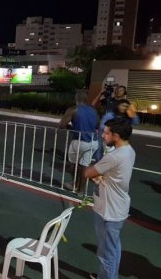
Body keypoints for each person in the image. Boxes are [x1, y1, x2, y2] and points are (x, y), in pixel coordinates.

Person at [84, 118, 135, 279]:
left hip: (109, 210)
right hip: (117, 207)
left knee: (106, 254)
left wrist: (87, 162)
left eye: (107, 133)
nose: (103, 135)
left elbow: (88, 172)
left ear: (117, 135)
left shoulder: (114, 156)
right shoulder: (129, 150)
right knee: (113, 248)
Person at [59, 91, 99, 193]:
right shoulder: (93, 110)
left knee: (73, 165)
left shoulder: (73, 109)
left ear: (76, 99)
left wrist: (72, 127)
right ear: (86, 100)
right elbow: (97, 125)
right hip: (93, 141)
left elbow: (62, 125)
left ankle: (75, 184)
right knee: (84, 167)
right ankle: (80, 190)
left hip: (80, 141)